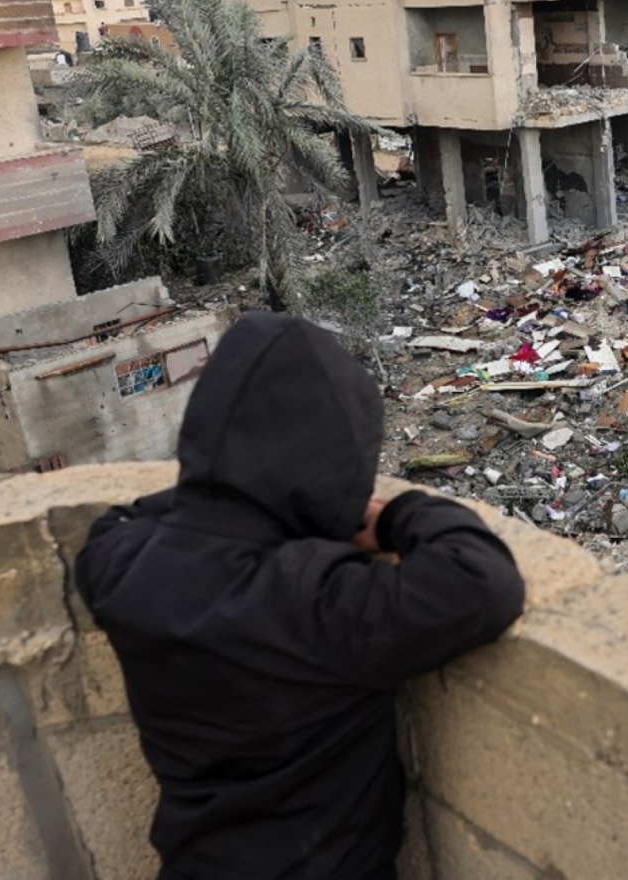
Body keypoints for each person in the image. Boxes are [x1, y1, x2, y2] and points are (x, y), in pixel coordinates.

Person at [77, 314, 526, 879]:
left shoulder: (118, 565)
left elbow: (135, 515)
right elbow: (482, 579)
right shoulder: (313, 601)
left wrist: (216, 488)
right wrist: (390, 518)